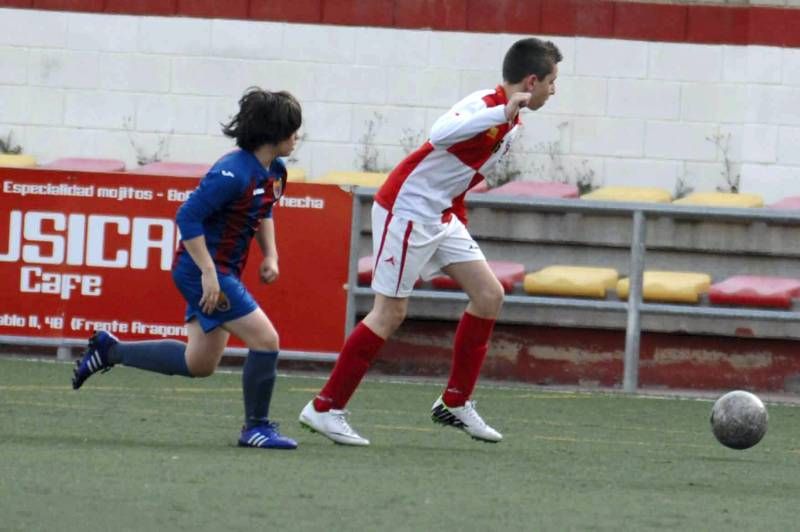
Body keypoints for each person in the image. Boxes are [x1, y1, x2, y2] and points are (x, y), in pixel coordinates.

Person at [299, 37, 562, 446]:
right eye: (551, 81)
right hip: (407, 209)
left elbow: (458, 176)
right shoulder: (485, 104)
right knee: (389, 313)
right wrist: (499, 110)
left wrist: (457, 221)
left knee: (489, 295)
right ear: (532, 80)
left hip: (440, 214)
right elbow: (439, 134)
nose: (553, 90)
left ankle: (455, 402)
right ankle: (325, 408)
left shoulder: (510, 122)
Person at [72, 87, 302, 450]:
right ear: (273, 133)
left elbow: (265, 208)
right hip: (203, 271)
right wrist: (209, 274)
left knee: (199, 363)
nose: (297, 137)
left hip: (219, 270)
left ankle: (110, 350)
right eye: (293, 130)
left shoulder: (274, 170)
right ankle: (255, 428)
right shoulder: (232, 173)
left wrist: (271, 255)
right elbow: (188, 216)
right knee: (266, 340)